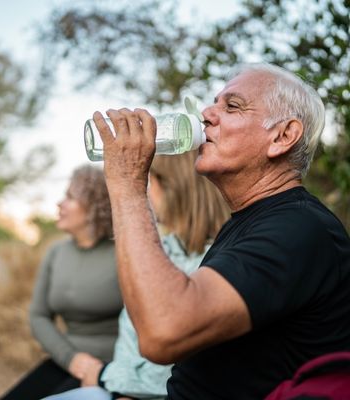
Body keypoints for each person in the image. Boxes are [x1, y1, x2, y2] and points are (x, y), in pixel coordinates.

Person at [88, 63, 350, 399]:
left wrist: (127, 183)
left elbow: (163, 331)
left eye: (232, 106)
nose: (207, 114)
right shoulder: (248, 222)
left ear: (282, 136)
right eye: (214, 103)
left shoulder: (299, 229)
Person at [41, 151, 230, 400]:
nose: (147, 192)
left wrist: (105, 377)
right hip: (115, 381)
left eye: (150, 183)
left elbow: (175, 367)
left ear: (173, 187)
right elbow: (131, 345)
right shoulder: (163, 250)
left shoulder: (214, 263)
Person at [0, 165, 123, 400]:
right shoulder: (56, 253)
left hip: (113, 366)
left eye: (70, 197)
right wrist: (70, 358)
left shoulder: (123, 253)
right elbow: (38, 315)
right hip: (65, 360)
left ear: (94, 207)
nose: (59, 204)